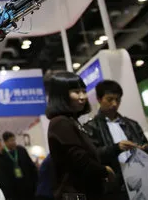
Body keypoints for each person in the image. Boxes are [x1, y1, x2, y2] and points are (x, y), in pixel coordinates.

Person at [46, 71, 114, 200]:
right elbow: (80, 160)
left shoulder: (71, 121)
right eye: (76, 92)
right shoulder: (60, 122)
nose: (82, 96)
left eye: (84, 91)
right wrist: (105, 170)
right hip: (77, 194)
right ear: (61, 95)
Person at [84, 79, 148, 199]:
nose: (114, 104)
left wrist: (144, 148)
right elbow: (92, 155)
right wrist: (116, 148)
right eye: (109, 99)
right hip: (113, 186)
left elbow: (146, 146)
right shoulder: (91, 127)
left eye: (117, 100)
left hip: (140, 180)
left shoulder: (132, 124)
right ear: (99, 99)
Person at [1, 131, 38, 199]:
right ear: (5, 142)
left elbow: (31, 166)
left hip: (27, 186)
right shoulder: (2, 154)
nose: (13, 142)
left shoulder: (21, 150)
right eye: (11, 140)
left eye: (14, 140)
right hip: (14, 189)